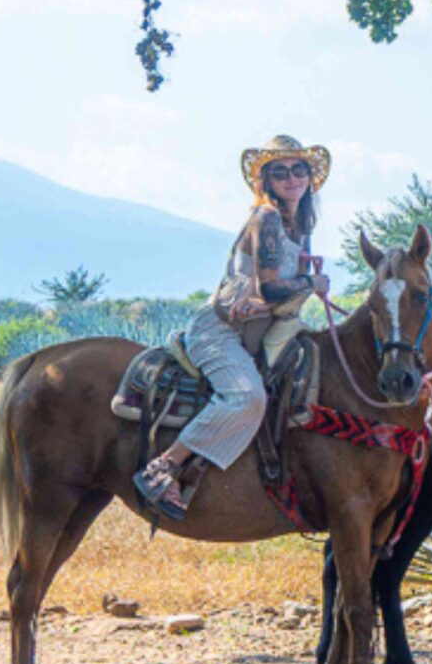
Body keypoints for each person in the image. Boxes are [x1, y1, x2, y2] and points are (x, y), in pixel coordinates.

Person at [133, 135, 331, 520]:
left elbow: (269, 296)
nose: (291, 178)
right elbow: (271, 286)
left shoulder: (301, 226)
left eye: (299, 170)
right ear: (266, 182)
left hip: (262, 331)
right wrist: (312, 285)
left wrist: (273, 298)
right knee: (247, 398)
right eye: (280, 172)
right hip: (221, 332)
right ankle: (164, 466)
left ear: (310, 177)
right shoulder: (268, 218)